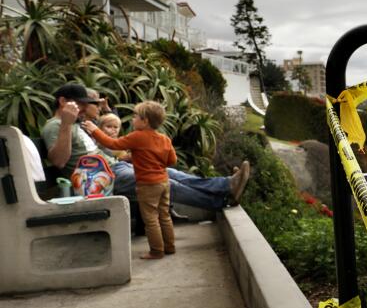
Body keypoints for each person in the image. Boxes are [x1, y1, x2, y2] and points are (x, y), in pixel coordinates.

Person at [41, 84, 250, 209]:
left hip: (114, 167)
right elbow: (59, 161)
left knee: (169, 172)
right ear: (62, 102)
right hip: (100, 180)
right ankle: (220, 201)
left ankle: (225, 185)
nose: (85, 107)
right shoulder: (55, 126)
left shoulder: (76, 124)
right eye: (81, 103)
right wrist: (67, 124)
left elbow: (107, 136)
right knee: (164, 182)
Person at [83, 101, 175, 259]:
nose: (132, 119)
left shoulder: (137, 137)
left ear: (145, 121)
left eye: (135, 116)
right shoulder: (164, 139)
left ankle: (156, 251)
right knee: (164, 215)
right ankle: (170, 247)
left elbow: (112, 143)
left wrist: (95, 130)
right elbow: (171, 160)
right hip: (164, 182)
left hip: (147, 184)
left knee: (151, 218)